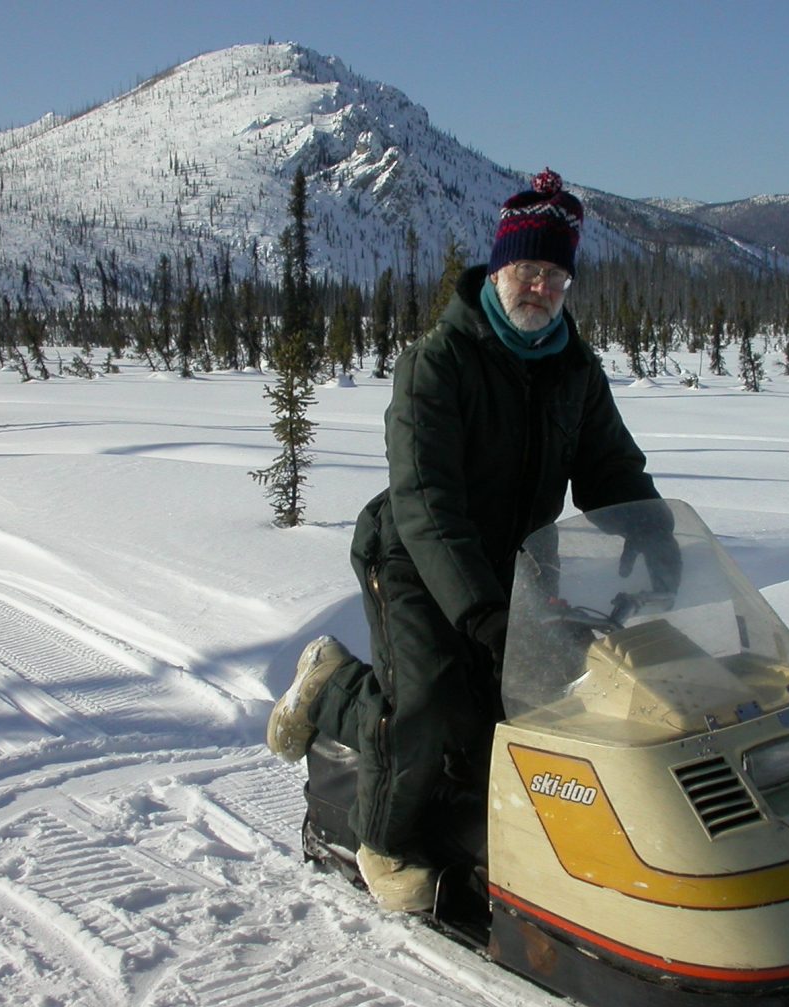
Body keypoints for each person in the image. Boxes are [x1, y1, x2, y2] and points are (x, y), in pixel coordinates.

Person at [267, 168, 674, 912]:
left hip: (511, 565)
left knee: (535, 703)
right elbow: (427, 502)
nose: (541, 288)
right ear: (498, 267)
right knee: (432, 700)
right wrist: (479, 610)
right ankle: (382, 836)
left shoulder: (573, 371)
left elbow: (610, 464)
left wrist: (651, 532)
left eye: (556, 275)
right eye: (528, 269)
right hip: (416, 558)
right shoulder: (436, 364)